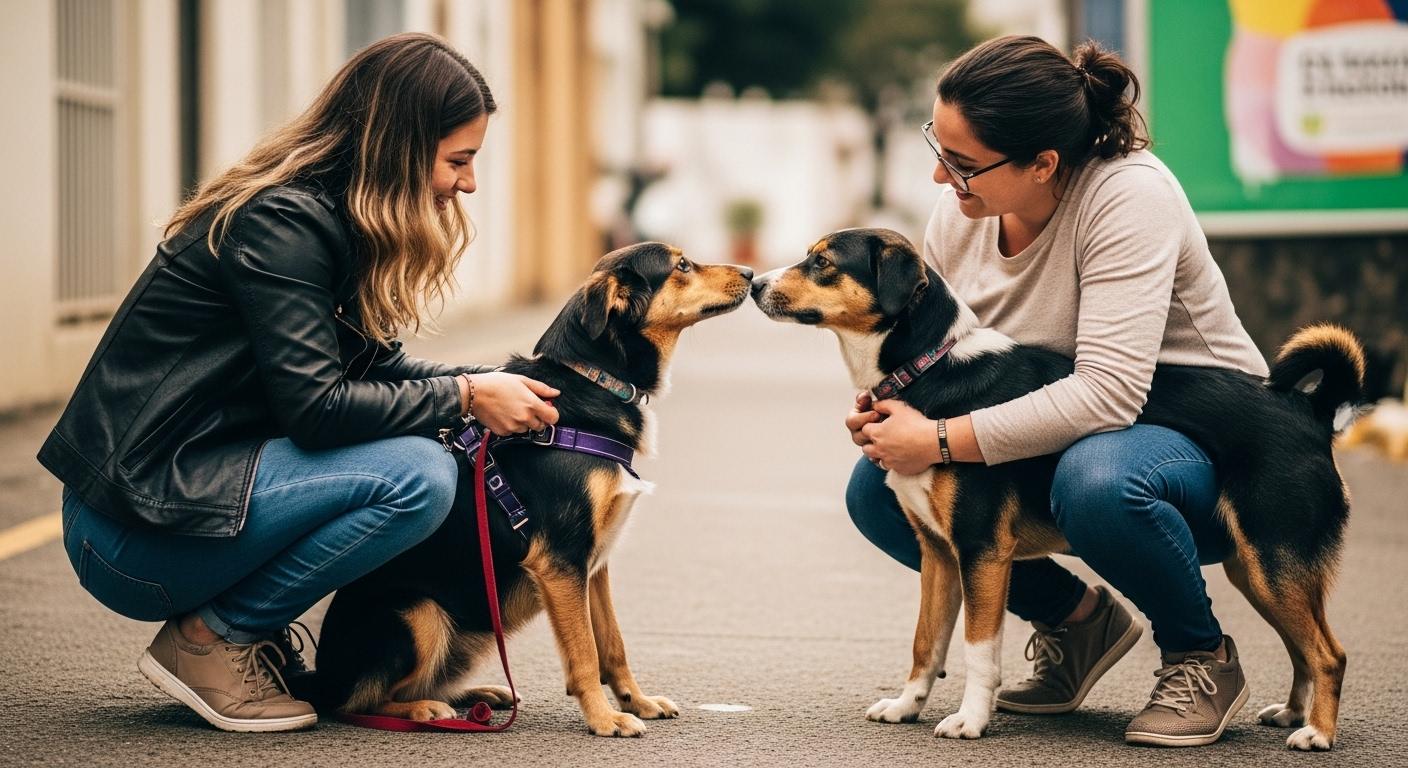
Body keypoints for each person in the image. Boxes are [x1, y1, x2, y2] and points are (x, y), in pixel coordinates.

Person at [37, 33, 561, 733]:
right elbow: (319, 410)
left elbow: (374, 369)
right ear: (399, 150)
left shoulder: (326, 220)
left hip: (176, 499)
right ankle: (211, 642)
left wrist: (483, 380)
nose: (466, 184)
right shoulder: (282, 224)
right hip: (131, 528)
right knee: (417, 477)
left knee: (420, 459)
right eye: (457, 161)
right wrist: (466, 396)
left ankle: (240, 633)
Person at [845, 35, 1269, 747]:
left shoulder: (1129, 198)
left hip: (1210, 441)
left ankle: (1200, 654)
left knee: (1097, 480)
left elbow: (1107, 396)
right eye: (938, 146)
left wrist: (940, 437)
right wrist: (895, 414)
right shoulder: (963, 210)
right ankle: (1078, 624)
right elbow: (944, 358)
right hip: (1067, 420)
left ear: (1043, 164)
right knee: (878, 489)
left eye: (962, 162)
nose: (939, 178)